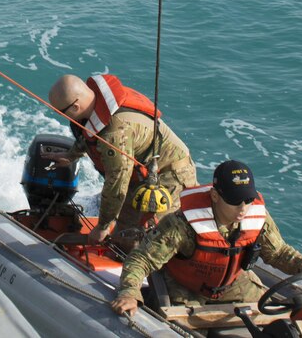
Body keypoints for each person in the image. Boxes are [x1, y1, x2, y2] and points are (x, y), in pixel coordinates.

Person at [111, 160, 302, 316]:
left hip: (233, 286)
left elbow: (278, 253)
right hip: (186, 290)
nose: (243, 208)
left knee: (281, 315)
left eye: (248, 200)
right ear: (215, 196)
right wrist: (130, 293)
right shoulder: (182, 225)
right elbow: (141, 260)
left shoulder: (257, 218)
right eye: (235, 201)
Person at [47, 73, 197, 248]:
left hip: (170, 175)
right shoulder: (96, 98)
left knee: (155, 240)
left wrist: (102, 227)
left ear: (75, 107)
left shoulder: (115, 134)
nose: (64, 117)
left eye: (62, 113)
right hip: (141, 170)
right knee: (123, 237)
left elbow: (116, 185)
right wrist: (71, 154)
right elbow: (91, 132)